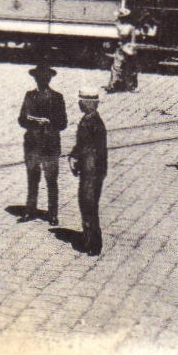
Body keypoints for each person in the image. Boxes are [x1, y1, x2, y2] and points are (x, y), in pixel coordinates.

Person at [17, 63, 68, 223]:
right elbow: (21, 119)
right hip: (32, 143)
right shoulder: (29, 95)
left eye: (45, 77)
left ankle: (53, 214)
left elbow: (63, 123)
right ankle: (30, 210)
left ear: (49, 79)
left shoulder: (57, 97)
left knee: (51, 179)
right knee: (32, 178)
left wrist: (49, 122)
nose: (42, 80)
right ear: (35, 79)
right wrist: (32, 121)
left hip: (50, 144)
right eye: (39, 77)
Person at [67, 86, 109, 255]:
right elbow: (82, 145)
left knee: (88, 204)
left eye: (82, 101)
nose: (79, 104)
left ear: (91, 103)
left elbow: (90, 149)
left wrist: (78, 161)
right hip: (91, 170)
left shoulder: (93, 123)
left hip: (92, 171)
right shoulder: (90, 120)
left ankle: (93, 243)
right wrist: (74, 156)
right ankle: (89, 238)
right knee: (87, 204)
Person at [106, 9, 141, 93]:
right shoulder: (131, 27)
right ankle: (131, 86)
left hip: (122, 47)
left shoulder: (120, 26)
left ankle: (113, 84)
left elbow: (121, 34)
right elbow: (133, 39)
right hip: (129, 48)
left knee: (116, 66)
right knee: (130, 67)